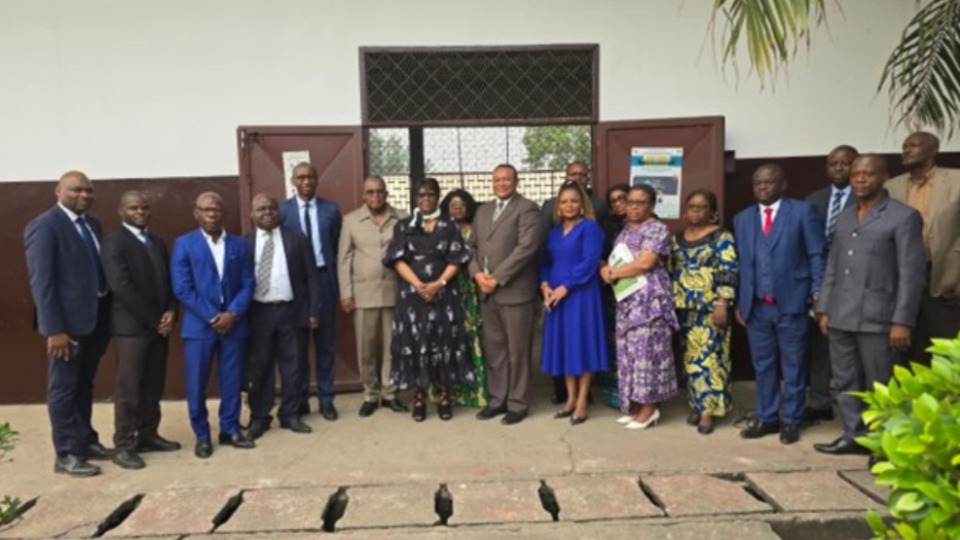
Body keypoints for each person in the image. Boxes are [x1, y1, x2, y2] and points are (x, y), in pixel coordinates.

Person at [814, 154, 925, 457]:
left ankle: (883, 443)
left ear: (884, 177)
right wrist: (824, 309)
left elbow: (911, 274)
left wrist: (902, 321)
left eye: (868, 174)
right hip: (841, 314)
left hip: (879, 318)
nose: (860, 179)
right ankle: (853, 435)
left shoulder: (903, 217)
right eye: (855, 175)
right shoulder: (846, 216)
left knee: (881, 383)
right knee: (847, 380)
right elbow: (833, 267)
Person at [24, 171, 113, 477]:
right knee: (63, 388)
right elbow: (42, 284)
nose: (84, 195)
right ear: (57, 191)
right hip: (67, 327)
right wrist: (54, 330)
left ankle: (85, 441)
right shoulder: (45, 227)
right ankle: (66, 453)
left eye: (89, 191)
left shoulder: (93, 225)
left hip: (95, 320)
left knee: (83, 384)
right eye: (76, 190)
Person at [733, 164, 825, 445]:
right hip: (756, 304)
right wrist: (739, 300)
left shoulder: (801, 212)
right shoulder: (742, 218)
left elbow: (816, 255)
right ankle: (767, 417)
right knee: (763, 365)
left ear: (783, 184)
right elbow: (741, 264)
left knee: (793, 364)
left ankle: (792, 419)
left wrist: (818, 293)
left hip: (791, 302)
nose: (763, 187)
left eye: (769, 182)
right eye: (758, 183)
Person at [171, 192, 255, 458]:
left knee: (231, 380)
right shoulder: (184, 244)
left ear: (223, 214)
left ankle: (229, 429)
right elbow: (182, 288)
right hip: (199, 327)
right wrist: (213, 316)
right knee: (197, 383)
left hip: (234, 325)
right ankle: (202, 435)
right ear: (196, 213)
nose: (211, 214)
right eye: (205, 210)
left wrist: (232, 313)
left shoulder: (239, 245)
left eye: (216, 210)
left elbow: (248, 283)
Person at [383, 178, 475, 422]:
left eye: (430, 194)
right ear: (415, 198)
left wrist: (438, 284)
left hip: (444, 296)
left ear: (437, 197)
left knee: (443, 343)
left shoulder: (449, 226)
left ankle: (444, 396)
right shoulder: (403, 226)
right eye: (421, 195)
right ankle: (419, 397)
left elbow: (457, 258)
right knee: (416, 344)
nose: (426, 199)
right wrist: (419, 285)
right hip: (412, 298)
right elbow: (397, 259)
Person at [100, 191, 180, 470]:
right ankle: (124, 443)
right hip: (131, 329)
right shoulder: (114, 242)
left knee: (153, 384)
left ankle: (148, 434)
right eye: (134, 208)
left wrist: (171, 311)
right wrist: (154, 318)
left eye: (145, 208)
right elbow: (121, 287)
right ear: (121, 211)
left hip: (158, 327)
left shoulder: (156, 242)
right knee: (129, 388)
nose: (141, 212)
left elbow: (169, 281)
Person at [469, 164, 543, 425]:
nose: (501, 184)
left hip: (514, 292)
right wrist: (478, 275)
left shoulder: (527, 208)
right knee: (495, 350)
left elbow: (526, 248)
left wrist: (497, 279)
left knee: (518, 351)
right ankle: (497, 400)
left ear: (516, 181)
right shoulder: (482, 210)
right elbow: (472, 247)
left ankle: (518, 403)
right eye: (497, 179)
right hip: (487, 292)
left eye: (506, 179)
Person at [600, 184, 678, 430]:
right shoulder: (623, 231)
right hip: (627, 303)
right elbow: (615, 259)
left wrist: (612, 273)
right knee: (629, 356)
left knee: (648, 356)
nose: (633, 207)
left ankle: (649, 409)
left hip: (650, 303)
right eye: (630, 201)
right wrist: (605, 268)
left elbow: (645, 263)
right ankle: (634, 406)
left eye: (640, 202)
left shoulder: (657, 229)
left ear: (652, 206)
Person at [245, 193, 320, 440]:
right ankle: (260, 416)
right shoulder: (244, 243)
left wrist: (312, 310)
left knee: (293, 365)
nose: (267, 212)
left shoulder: (296, 238)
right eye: (261, 208)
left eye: (271, 208)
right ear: (252, 214)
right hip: (258, 313)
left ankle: (290, 414)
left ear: (279, 212)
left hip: (291, 311)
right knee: (260, 367)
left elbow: (311, 276)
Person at [885, 132, 960, 365]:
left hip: (943, 276)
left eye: (914, 145)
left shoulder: (956, 180)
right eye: (905, 145)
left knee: (946, 348)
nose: (906, 149)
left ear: (933, 150)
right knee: (905, 349)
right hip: (902, 278)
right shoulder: (891, 186)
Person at [338, 176, 409, 417]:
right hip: (363, 293)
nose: (375, 196)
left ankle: (390, 393)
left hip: (394, 291)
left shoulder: (401, 217)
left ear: (386, 194)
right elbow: (344, 257)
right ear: (363, 195)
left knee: (393, 346)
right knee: (366, 347)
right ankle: (370, 394)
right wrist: (346, 293)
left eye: (380, 192)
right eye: (370, 192)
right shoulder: (351, 220)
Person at [540, 181, 609, 424]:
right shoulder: (553, 233)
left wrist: (565, 287)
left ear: (582, 204)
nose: (569, 205)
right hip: (556, 295)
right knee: (566, 347)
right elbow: (546, 262)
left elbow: (590, 262)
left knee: (583, 345)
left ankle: (582, 402)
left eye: (574, 201)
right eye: (564, 201)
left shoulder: (590, 228)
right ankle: (569, 399)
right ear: (558, 206)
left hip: (580, 294)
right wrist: (545, 285)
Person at [670, 189, 738, 435]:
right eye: (692, 206)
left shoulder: (722, 237)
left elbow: (728, 270)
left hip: (711, 309)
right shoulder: (677, 239)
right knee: (690, 360)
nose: (696, 211)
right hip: (684, 308)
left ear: (712, 211)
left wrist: (723, 302)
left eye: (702, 207)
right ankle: (697, 405)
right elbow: (671, 270)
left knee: (710, 361)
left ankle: (709, 412)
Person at [280, 162, 342, 421]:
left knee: (325, 344)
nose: (306, 181)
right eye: (301, 177)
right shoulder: (283, 210)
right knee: (297, 346)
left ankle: (326, 399)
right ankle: (301, 398)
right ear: (293, 181)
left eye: (310, 177)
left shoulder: (330, 210)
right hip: (295, 284)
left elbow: (337, 245)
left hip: (324, 277)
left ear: (317, 180)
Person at [803, 145, 858, 423]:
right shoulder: (814, 200)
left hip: (856, 281)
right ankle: (820, 401)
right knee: (818, 343)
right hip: (821, 280)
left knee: (852, 344)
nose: (838, 168)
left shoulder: (866, 199)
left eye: (845, 163)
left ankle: (856, 407)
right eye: (833, 164)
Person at [439, 188, 488, 408]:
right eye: (453, 205)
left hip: (471, 293)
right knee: (449, 341)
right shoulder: (440, 230)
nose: (457, 209)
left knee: (472, 339)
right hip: (447, 292)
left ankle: (476, 392)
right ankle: (450, 392)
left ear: (468, 207)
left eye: (461, 205)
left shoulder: (476, 229)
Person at [597, 183, 629, 409]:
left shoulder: (651, 225)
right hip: (612, 291)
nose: (619, 204)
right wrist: (604, 269)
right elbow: (598, 257)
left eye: (623, 198)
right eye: (614, 201)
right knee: (613, 343)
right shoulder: (608, 227)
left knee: (633, 346)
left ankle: (637, 398)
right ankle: (615, 396)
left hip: (639, 293)